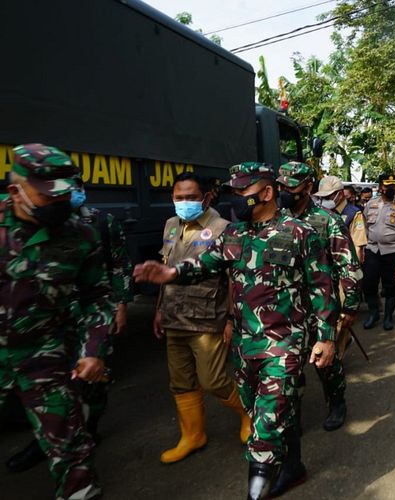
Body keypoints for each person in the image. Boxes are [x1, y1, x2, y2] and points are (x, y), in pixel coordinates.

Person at [133, 162, 337, 500]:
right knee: (264, 408)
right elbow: (206, 264)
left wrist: (326, 337)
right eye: (235, 192)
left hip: (284, 342)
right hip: (245, 344)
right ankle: (294, 466)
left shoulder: (300, 232)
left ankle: (258, 483)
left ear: (267, 193)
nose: (238, 199)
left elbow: (321, 286)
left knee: (267, 419)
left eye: (244, 192)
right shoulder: (234, 234)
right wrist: (170, 274)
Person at [0, 143, 114, 499]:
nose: (61, 205)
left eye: (65, 195)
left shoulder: (81, 235)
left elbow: (99, 297)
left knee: (71, 449)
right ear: (15, 191)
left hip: (43, 352)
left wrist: (93, 349)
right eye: (50, 197)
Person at [5, 175, 134, 473]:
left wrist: (121, 304)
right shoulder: (28, 221)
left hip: (92, 315)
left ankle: (88, 430)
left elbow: (118, 264)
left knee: (94, 377)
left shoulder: (101, 222)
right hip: (51, 320)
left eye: (72, 189)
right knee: (50, 389)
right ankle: (47, 440)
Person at [152, 172, 250, 464]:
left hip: (208, 318)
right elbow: (165, 268)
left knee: (214, 380)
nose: (184, 203)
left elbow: (234, 278)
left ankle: (248, 415)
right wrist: (159, 308)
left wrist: (232, 319)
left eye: (191, 197)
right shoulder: (171, 225)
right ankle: (193, 436)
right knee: (180, 382)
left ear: (206, 197)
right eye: (179, 197)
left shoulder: (224, 229)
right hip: (173, 318)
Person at [276, 162, 362, 433]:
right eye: (281, 186)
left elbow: (348, 265)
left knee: (326, 363)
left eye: (291, 186)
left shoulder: (327, 220)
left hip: (319, 307)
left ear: (308, 187)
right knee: (287, 367)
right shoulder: (276, 221)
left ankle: (337, 401)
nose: (285, 191)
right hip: (285, 310)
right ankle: (290, 415)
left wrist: (349, 306)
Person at [361, 174, 395, 330]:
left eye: (393, 185)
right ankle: (373, 313)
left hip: (393, 251)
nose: (391, 188)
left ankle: (388, 317)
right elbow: (364, 226)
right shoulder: (370, 204)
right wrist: (362, 247)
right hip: (372, 250)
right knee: (368, 283)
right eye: (387, 185)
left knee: (391, 286)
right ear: (380, 187)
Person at [315, 175, 367, 265]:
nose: (324, 201)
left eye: (328, 197)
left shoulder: (353, 213)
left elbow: (358, 246)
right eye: (321, 198)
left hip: (343, 265)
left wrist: (355, 271)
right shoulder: (319, 212)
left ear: (340, 193)